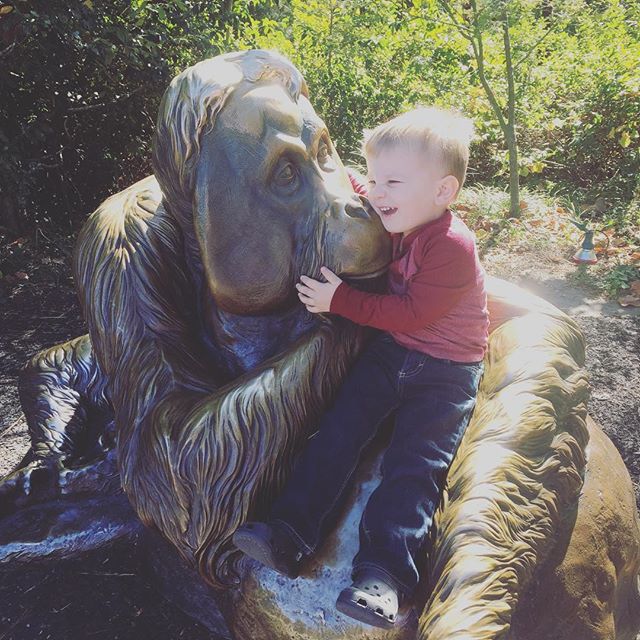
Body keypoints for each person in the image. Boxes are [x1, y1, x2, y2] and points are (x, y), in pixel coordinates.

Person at [233, 106, 489, 629]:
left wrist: (340, 300)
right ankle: (289, 533)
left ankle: (383, 576)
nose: (376, 192)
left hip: (446, 370)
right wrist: (334, 173)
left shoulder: (452, 247)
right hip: (394, 352)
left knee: (415, 465)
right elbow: (349, 183)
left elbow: (413, 312)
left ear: (443, 192)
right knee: (338, 431)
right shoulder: (396, 212)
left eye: (391, 181)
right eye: (374, 179)